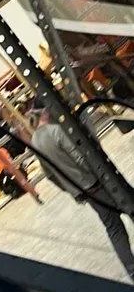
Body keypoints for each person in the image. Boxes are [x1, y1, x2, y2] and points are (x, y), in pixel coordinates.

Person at [32, 104, 134, 281]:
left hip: (85, 192)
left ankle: (132, 270)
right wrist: (102, 174)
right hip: (98, 183)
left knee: (114, 228)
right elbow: (80, 157)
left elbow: (49, 175)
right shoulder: (56, 131)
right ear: (47, 111)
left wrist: (72, 189)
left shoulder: (35, 142)